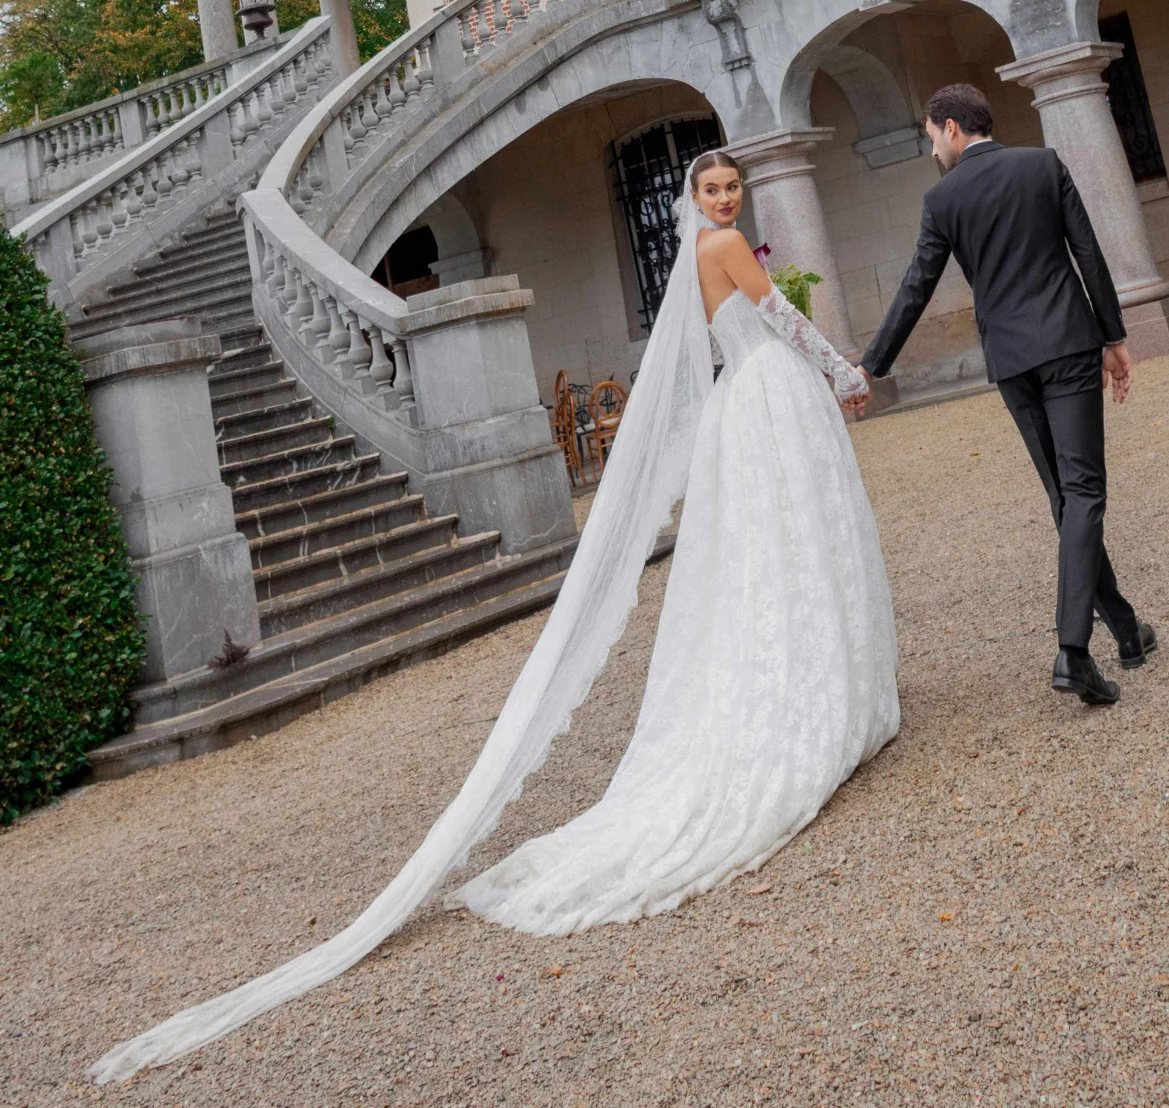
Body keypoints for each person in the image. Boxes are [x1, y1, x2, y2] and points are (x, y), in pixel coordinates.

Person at [92, 148, 897, 1082]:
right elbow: (780, 316)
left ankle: (810, 678)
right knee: (786, 542)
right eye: (711, 190)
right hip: (765, 395)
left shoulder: (694, 253)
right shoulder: (724, 250)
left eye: (729, 189)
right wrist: (845, 368)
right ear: (696, 201)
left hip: (741, 402)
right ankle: (814, 692)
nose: (722, 200)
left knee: (771, 553)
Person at [862, 82, 1155, 708]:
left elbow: (916, 287)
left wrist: (871, 365)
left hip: (1012, 360)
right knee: (1082, 491)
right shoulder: (1042, 165)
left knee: (1065, 495)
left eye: (931, 136)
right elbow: (1088, 254)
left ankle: (1126, 630)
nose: (932, 149)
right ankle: (1074, 651)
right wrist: (1114, 335)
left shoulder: (942, 198)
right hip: (1069, 343)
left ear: (951, 128)